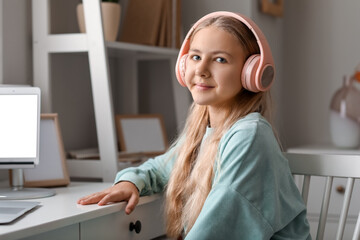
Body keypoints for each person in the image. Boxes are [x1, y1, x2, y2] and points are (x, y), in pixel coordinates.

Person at [78, 11, 311, 239]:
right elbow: (161, 168)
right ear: (184, 65)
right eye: (196, 57)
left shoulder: (249, 136)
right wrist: (130, 182)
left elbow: (218, 228)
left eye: (220, 59)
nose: (201, 70)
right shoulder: (205, 131)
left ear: (250, 72)